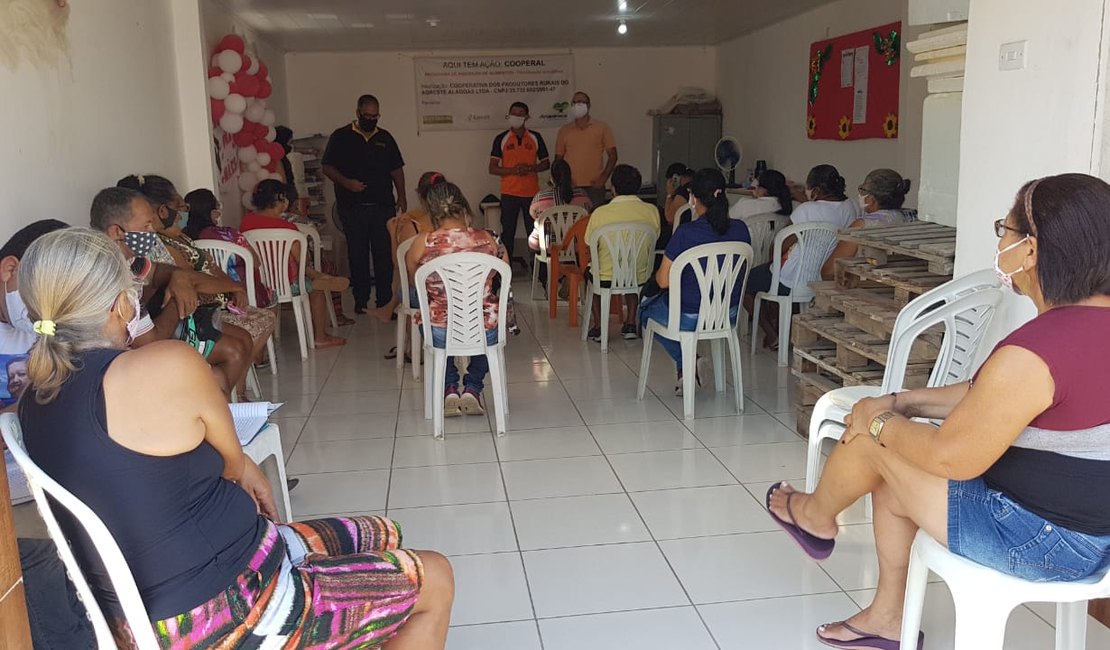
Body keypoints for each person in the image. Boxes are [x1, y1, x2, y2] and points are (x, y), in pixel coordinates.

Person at [18, 227, 454, 649]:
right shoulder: (161, 365)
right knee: (434, 575)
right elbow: (232, 462)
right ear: (118, 305)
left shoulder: (34, 399)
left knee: (384, 532)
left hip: (158, 607)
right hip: (225, 612)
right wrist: (245, 468)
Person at [766, 173, 1110, 649]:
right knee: (894, 448)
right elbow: (980, 392)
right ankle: (885, 615)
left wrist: (878, 421)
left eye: (1004, 231)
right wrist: (901, 402)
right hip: (1092, 534)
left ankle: (813, 516)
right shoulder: (1084, 329)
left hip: (1043, 540)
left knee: (876, 446)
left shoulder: (1037, 351)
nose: (1001, 243)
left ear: (1031, 250)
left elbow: (952, 458)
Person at [0, 220, 95, 648]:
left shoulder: (50, 326)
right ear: (10, 269)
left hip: (41, 464)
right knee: (42, 553)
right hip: (16, 481)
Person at [91, 187, 254, 397]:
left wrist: (180, 277)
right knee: (232, 352)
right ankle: (210, 415)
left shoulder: (129, 259)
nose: (152, 231)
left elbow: (160, 271)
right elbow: (151, 342)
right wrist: (179, 300)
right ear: (116, 231)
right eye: (146, 225)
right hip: (126, 362)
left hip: (146, 341)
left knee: (235, 347)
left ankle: (218, 411)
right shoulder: (111, 276)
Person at [119, 175, 276, 372]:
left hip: (182, 317)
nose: (181, 214)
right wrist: (180, 292)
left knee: (241, 342)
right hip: (178, 320)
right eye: (179, 207)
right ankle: (230, 394)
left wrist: (182, 279)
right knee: (234, 349)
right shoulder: (126, 267)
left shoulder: (152, 249)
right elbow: (152, 336)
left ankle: (234, 394)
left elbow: (185, 275)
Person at [641, 169, 751, 395]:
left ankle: (689, 361)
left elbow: (662, 281)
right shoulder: (741, 229)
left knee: (645, 312)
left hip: (688, 313)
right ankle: (688, 369)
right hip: (727, 313)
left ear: (693, 198)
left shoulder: (686, 232)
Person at [405, 182, 509, 417]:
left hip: (439, 330)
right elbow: (504, 275)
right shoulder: (489, 239)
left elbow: (415, 283)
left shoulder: (423, 242)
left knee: (437, 318)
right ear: (464, 208)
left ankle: (449, 387)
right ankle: (472, 388)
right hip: (483, 328)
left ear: (432, 213)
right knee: (487, 331)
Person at [744, 164, 860, 350]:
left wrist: (773, 260)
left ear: (815, 190)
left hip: (792, 278)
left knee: (745, 282)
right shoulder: (851, 206)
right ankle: (786, 329)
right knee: (771, 274)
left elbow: (780, 245)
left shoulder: (806, 210)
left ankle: (772, 333)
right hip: (824, 276)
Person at [323, 94, 406, 314]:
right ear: (358, 113)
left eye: (376, 116)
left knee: (384, 255)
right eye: (368, 116)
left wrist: (402, 196)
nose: (372, 119)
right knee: (357, 254)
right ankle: (360, 300)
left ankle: (384, 301)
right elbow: (327, 167)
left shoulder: (385, 138)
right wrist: (346, 183)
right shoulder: (341, 136)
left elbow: (396, 168)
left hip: (382, 206)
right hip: (352, 207)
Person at [240, 180, 349, 349]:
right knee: (316, 289)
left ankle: (318, 277)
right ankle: (320, 336)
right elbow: (302, 259)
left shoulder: (246, 223)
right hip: (289, 284)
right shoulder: (287, 228)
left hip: (259, 285)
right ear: (281, 200)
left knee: (307, 275)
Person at [582, 164, 660, 341]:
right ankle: (630, 323)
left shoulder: (600, 213)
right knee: (631, 269)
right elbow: (655, 237)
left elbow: (589, 244)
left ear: (613, 188)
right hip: (639, 275)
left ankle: (599, 326)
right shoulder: (651, 211)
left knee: (590, 273)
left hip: (606, 276)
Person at [372, 171, 447, 337]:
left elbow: (399, 265)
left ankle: (411, 348)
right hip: (457, 290)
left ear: (420, 195)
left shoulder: (413, 227)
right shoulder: (459, 223)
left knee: (407, 282)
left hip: (425, 292)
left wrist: (392, 234)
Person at [821, 169, 918, 279]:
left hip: (870, 287)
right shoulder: (913, 217)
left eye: (862, 190)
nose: (860, 194)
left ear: (871, 199)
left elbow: (829, 271)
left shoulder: (862, 225)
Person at [489, 101, 551, 261]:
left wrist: (530, 168)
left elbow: (546, 163)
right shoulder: (501, 139)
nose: (516, 117)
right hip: (509, 193)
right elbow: (493, 168)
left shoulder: (535, 137)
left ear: (526, 117)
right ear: (508, 116)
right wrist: (514, 170)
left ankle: (537, 270)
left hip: (532, 194)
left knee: (535, 234)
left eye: (520, 114)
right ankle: (506, 270)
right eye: (513, 113)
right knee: (508, 233)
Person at [555, 91, 618, 208]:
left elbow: (613, 156)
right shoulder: (564, 130)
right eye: (574, 102)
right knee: (573, 221)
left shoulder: (602, 127)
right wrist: (563, 182)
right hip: (571, 187)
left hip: (595, 187)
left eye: (581, 102)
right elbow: (558, 161)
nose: (577, 105)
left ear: (588, 106)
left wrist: (603, 179)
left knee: (594, 221)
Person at [526, 158, 593, 252]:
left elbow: (533, 214)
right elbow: (588, 211)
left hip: (548, 245)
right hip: (577, 245)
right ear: (570, 175)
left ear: (552, 178)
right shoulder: (583, 195)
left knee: (533, 240)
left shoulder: (540, 197)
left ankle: (543, 266)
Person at [729, 168, 796, 221]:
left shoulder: (745, 204)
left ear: (765, 190)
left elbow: (728, 219)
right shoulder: (785, 205)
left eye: (758, 185)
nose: (756, 187)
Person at [662, 163, 696, 233]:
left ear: (675, 178)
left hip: (685, 231)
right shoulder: (697, 187)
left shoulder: (684, 191)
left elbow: (670, 218)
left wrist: (669, 194)